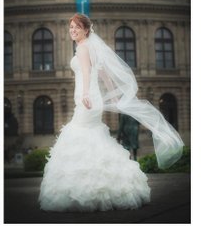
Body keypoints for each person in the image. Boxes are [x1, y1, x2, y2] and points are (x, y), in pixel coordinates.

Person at [38, 13, 184, 212]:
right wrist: (112, 95)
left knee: (78, 135)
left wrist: (87, 93)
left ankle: (85, 187)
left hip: (87, 98)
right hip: (93, 98)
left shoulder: (82, 48)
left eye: (77, 27)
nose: (73, 30)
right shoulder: (92, 47)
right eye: (71, 27)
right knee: (92, 135)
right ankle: (111, 183)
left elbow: (89, 73)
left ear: (86, 30)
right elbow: (104, 71)